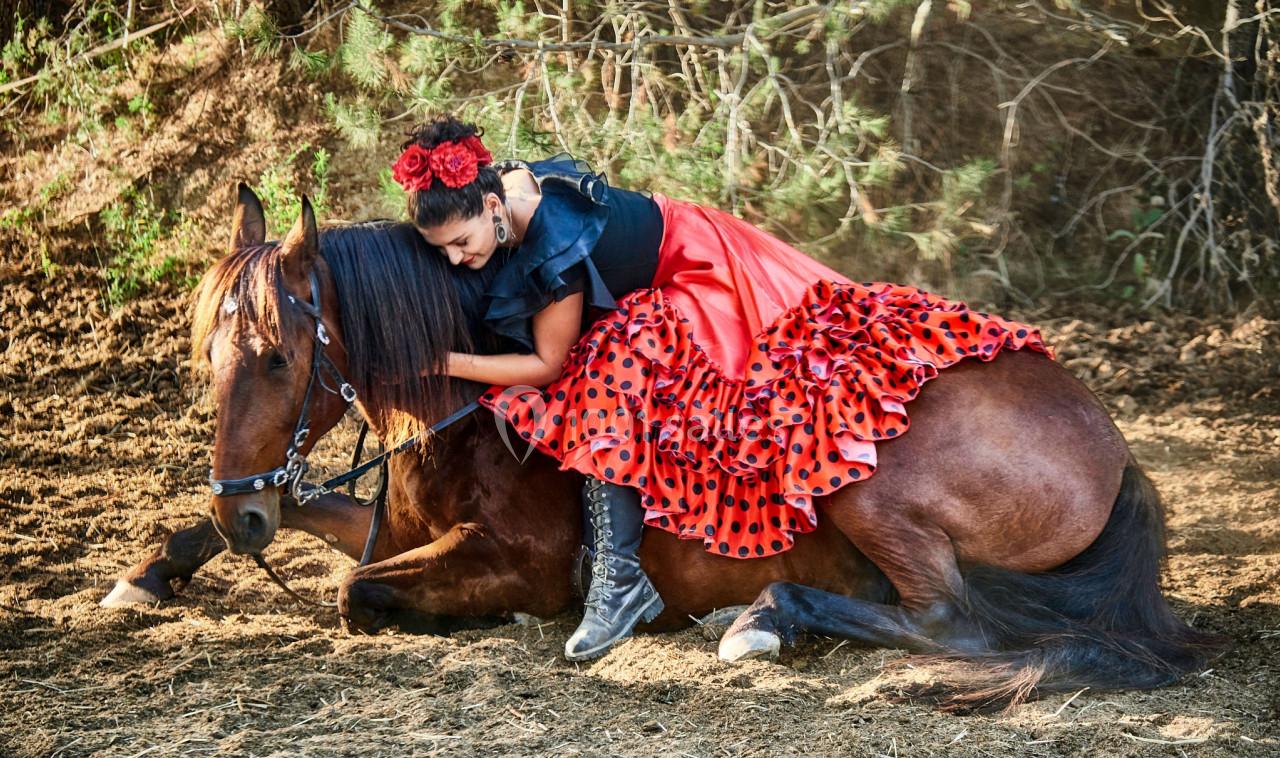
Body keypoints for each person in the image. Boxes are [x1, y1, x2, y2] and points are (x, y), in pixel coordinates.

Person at [394, 116, 1049, 662]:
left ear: (489, 207)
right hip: (681, 241)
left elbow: (543, 364)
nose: (455, 258)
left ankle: (619, 581)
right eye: (442, 249)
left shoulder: (552, 248)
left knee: (609, 371)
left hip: (695, 269)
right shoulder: (502, 188)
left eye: (460, 242)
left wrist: (445, 360)